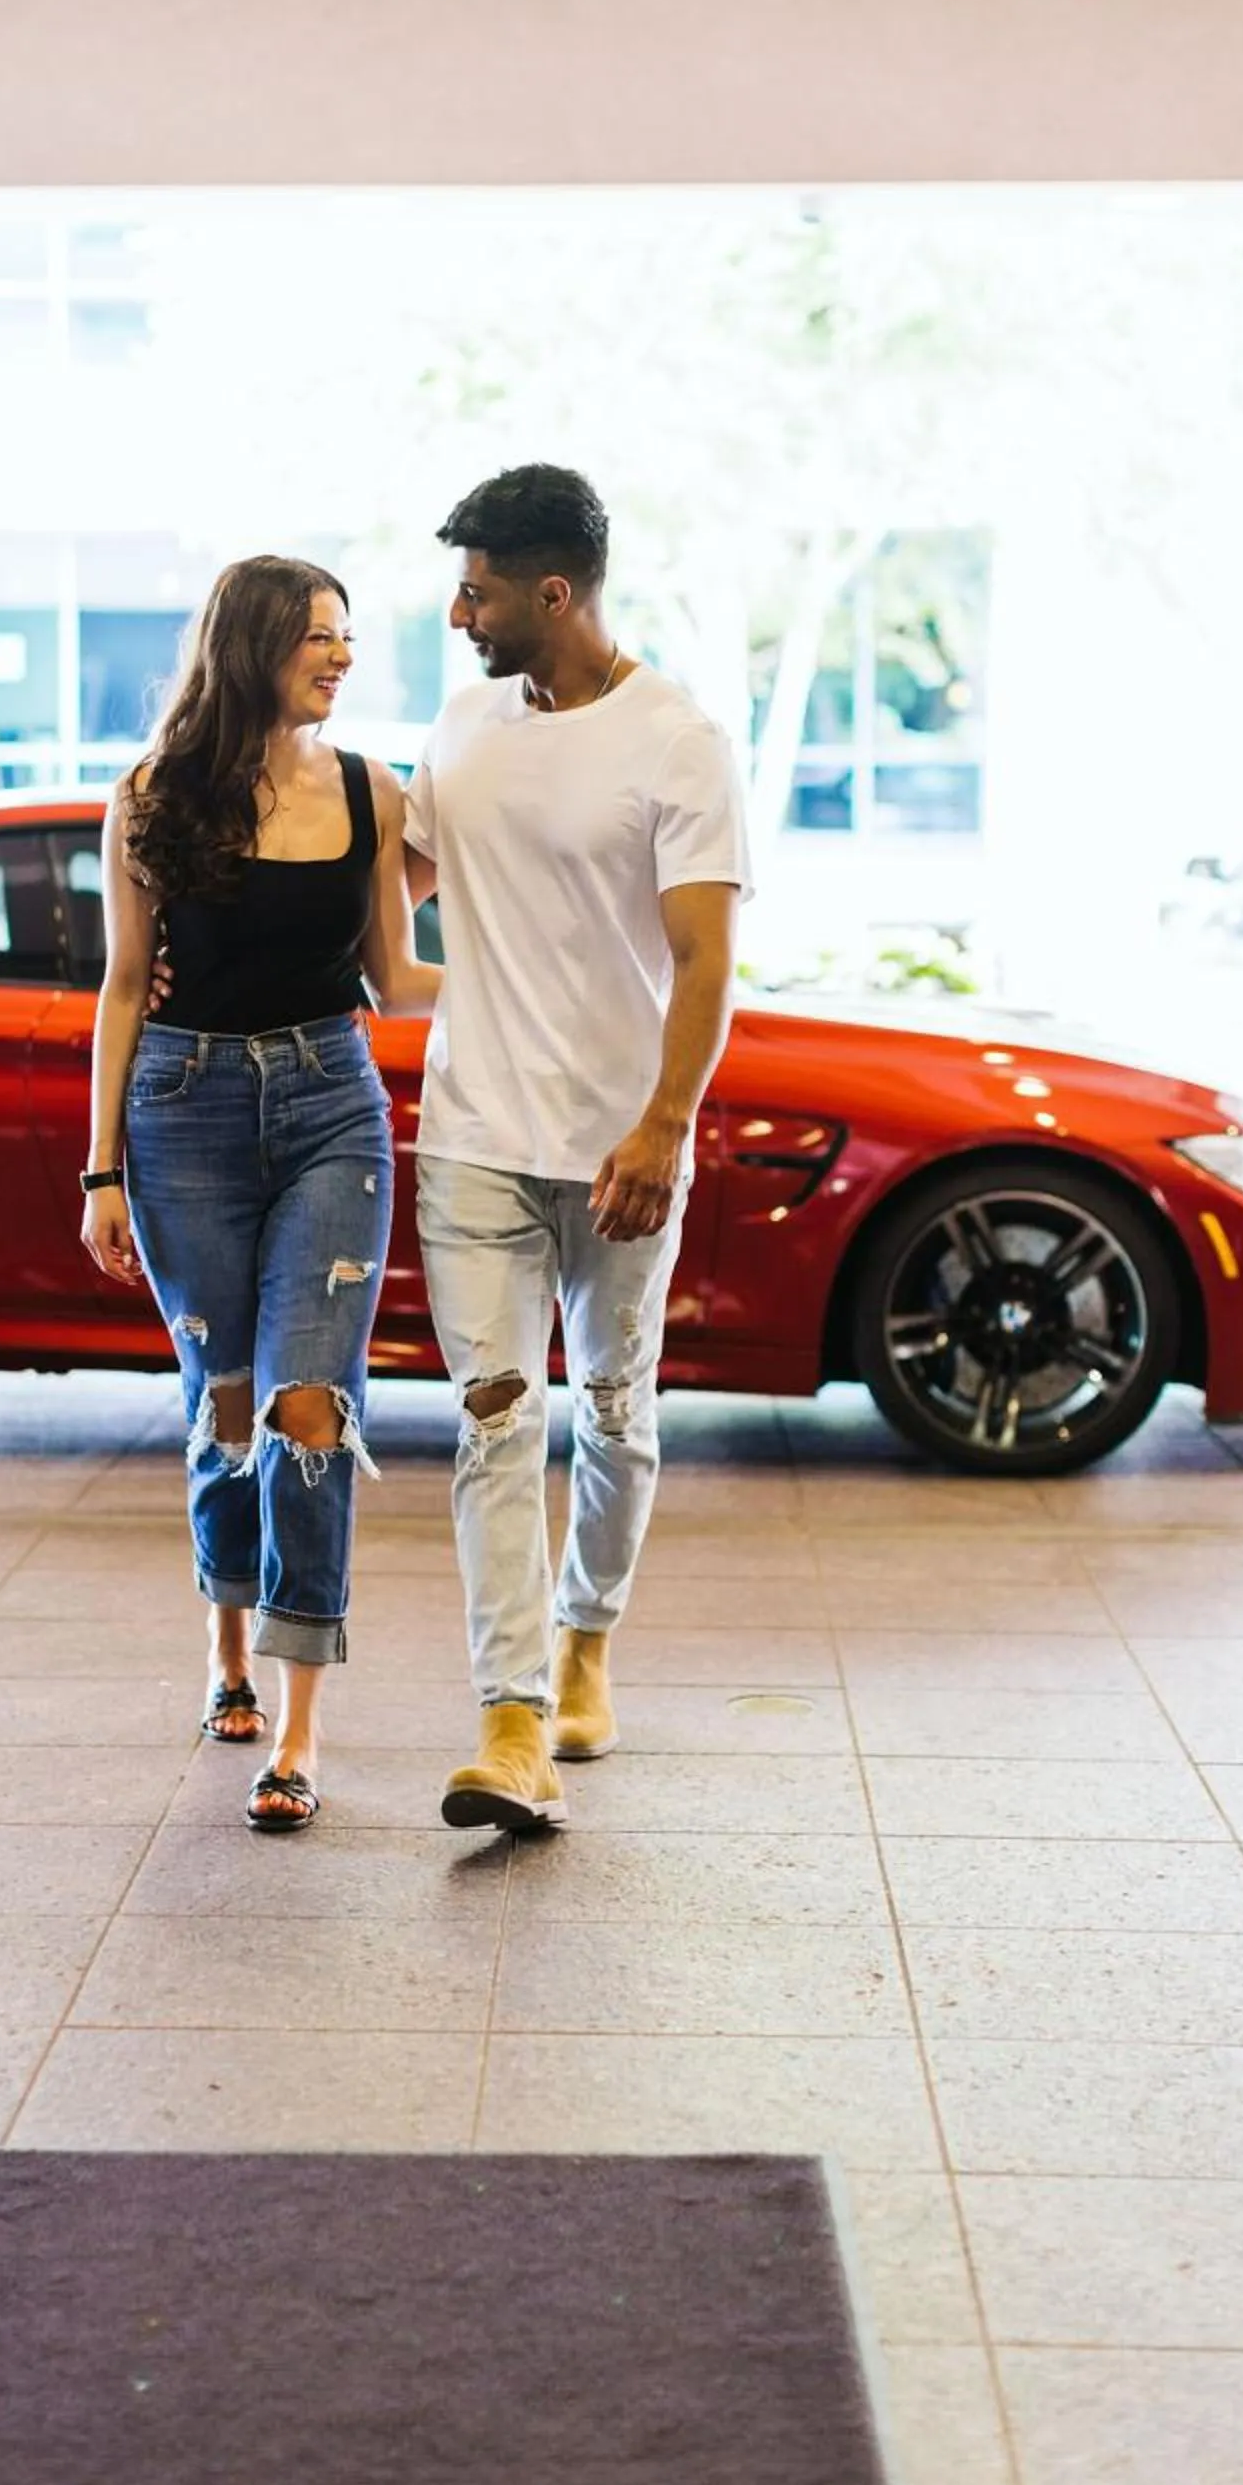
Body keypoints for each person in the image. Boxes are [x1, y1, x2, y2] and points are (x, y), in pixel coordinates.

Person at [404, 465, 749, 1833]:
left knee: (611, 1406)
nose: (458, 615)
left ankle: (584, 1642)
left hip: (618, 1147)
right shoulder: (461, 726)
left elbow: (705, 959)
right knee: (496, 1418)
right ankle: (510, 1722)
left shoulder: (677, 741)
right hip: (474, 1132)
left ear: (553, 594)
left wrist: (664, 1124)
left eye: (477, 592)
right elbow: (390, 887)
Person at [82, 555, 437, 1832]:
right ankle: (225, 1648)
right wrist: (101, 1169)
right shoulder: (149, 796)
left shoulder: (373, 791)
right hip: (182, 1110)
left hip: (332, 1103)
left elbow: (396, 976)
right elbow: (124, 985)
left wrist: (558, 987)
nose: (340, 657)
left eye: (346, 637)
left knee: (309, 1406)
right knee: (224, 1400)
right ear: (250, 646)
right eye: (315, 637)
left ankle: (296, 1730)